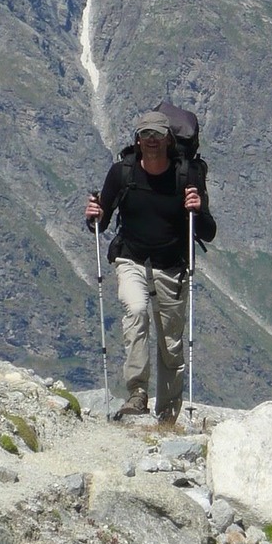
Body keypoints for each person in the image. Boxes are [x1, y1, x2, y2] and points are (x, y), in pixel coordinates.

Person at [86, 109, 216, 422]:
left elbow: (208, 232)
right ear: (138, 140)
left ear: (169, 139)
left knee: (170, 345)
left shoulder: (187, 176)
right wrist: (94, 214)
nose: (152, 141)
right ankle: (137, 393)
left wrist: (198, 211)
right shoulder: (123, 173)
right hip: (131, 259)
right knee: (136, 310)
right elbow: (99, 225)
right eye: (146, 135)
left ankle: (167, 415)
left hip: (171, 267)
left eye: (158, 135)